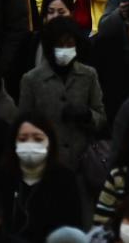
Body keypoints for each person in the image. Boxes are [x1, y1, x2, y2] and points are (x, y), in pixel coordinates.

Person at [19, 17, 106, 170]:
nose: (65, 48)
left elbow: (101, 118)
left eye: (69, 44)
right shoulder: (31, 80)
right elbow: (23, 123)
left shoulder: (89, 75)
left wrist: (87, 114)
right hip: (46, 164)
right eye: (59, 44)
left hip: (82, 163)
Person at [0, 115, 82, 241]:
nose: (30, 144)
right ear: (13, 144)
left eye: (38, 139)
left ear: (50, 143)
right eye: (23, 139)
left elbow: (72, 226)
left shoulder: (64, 179)